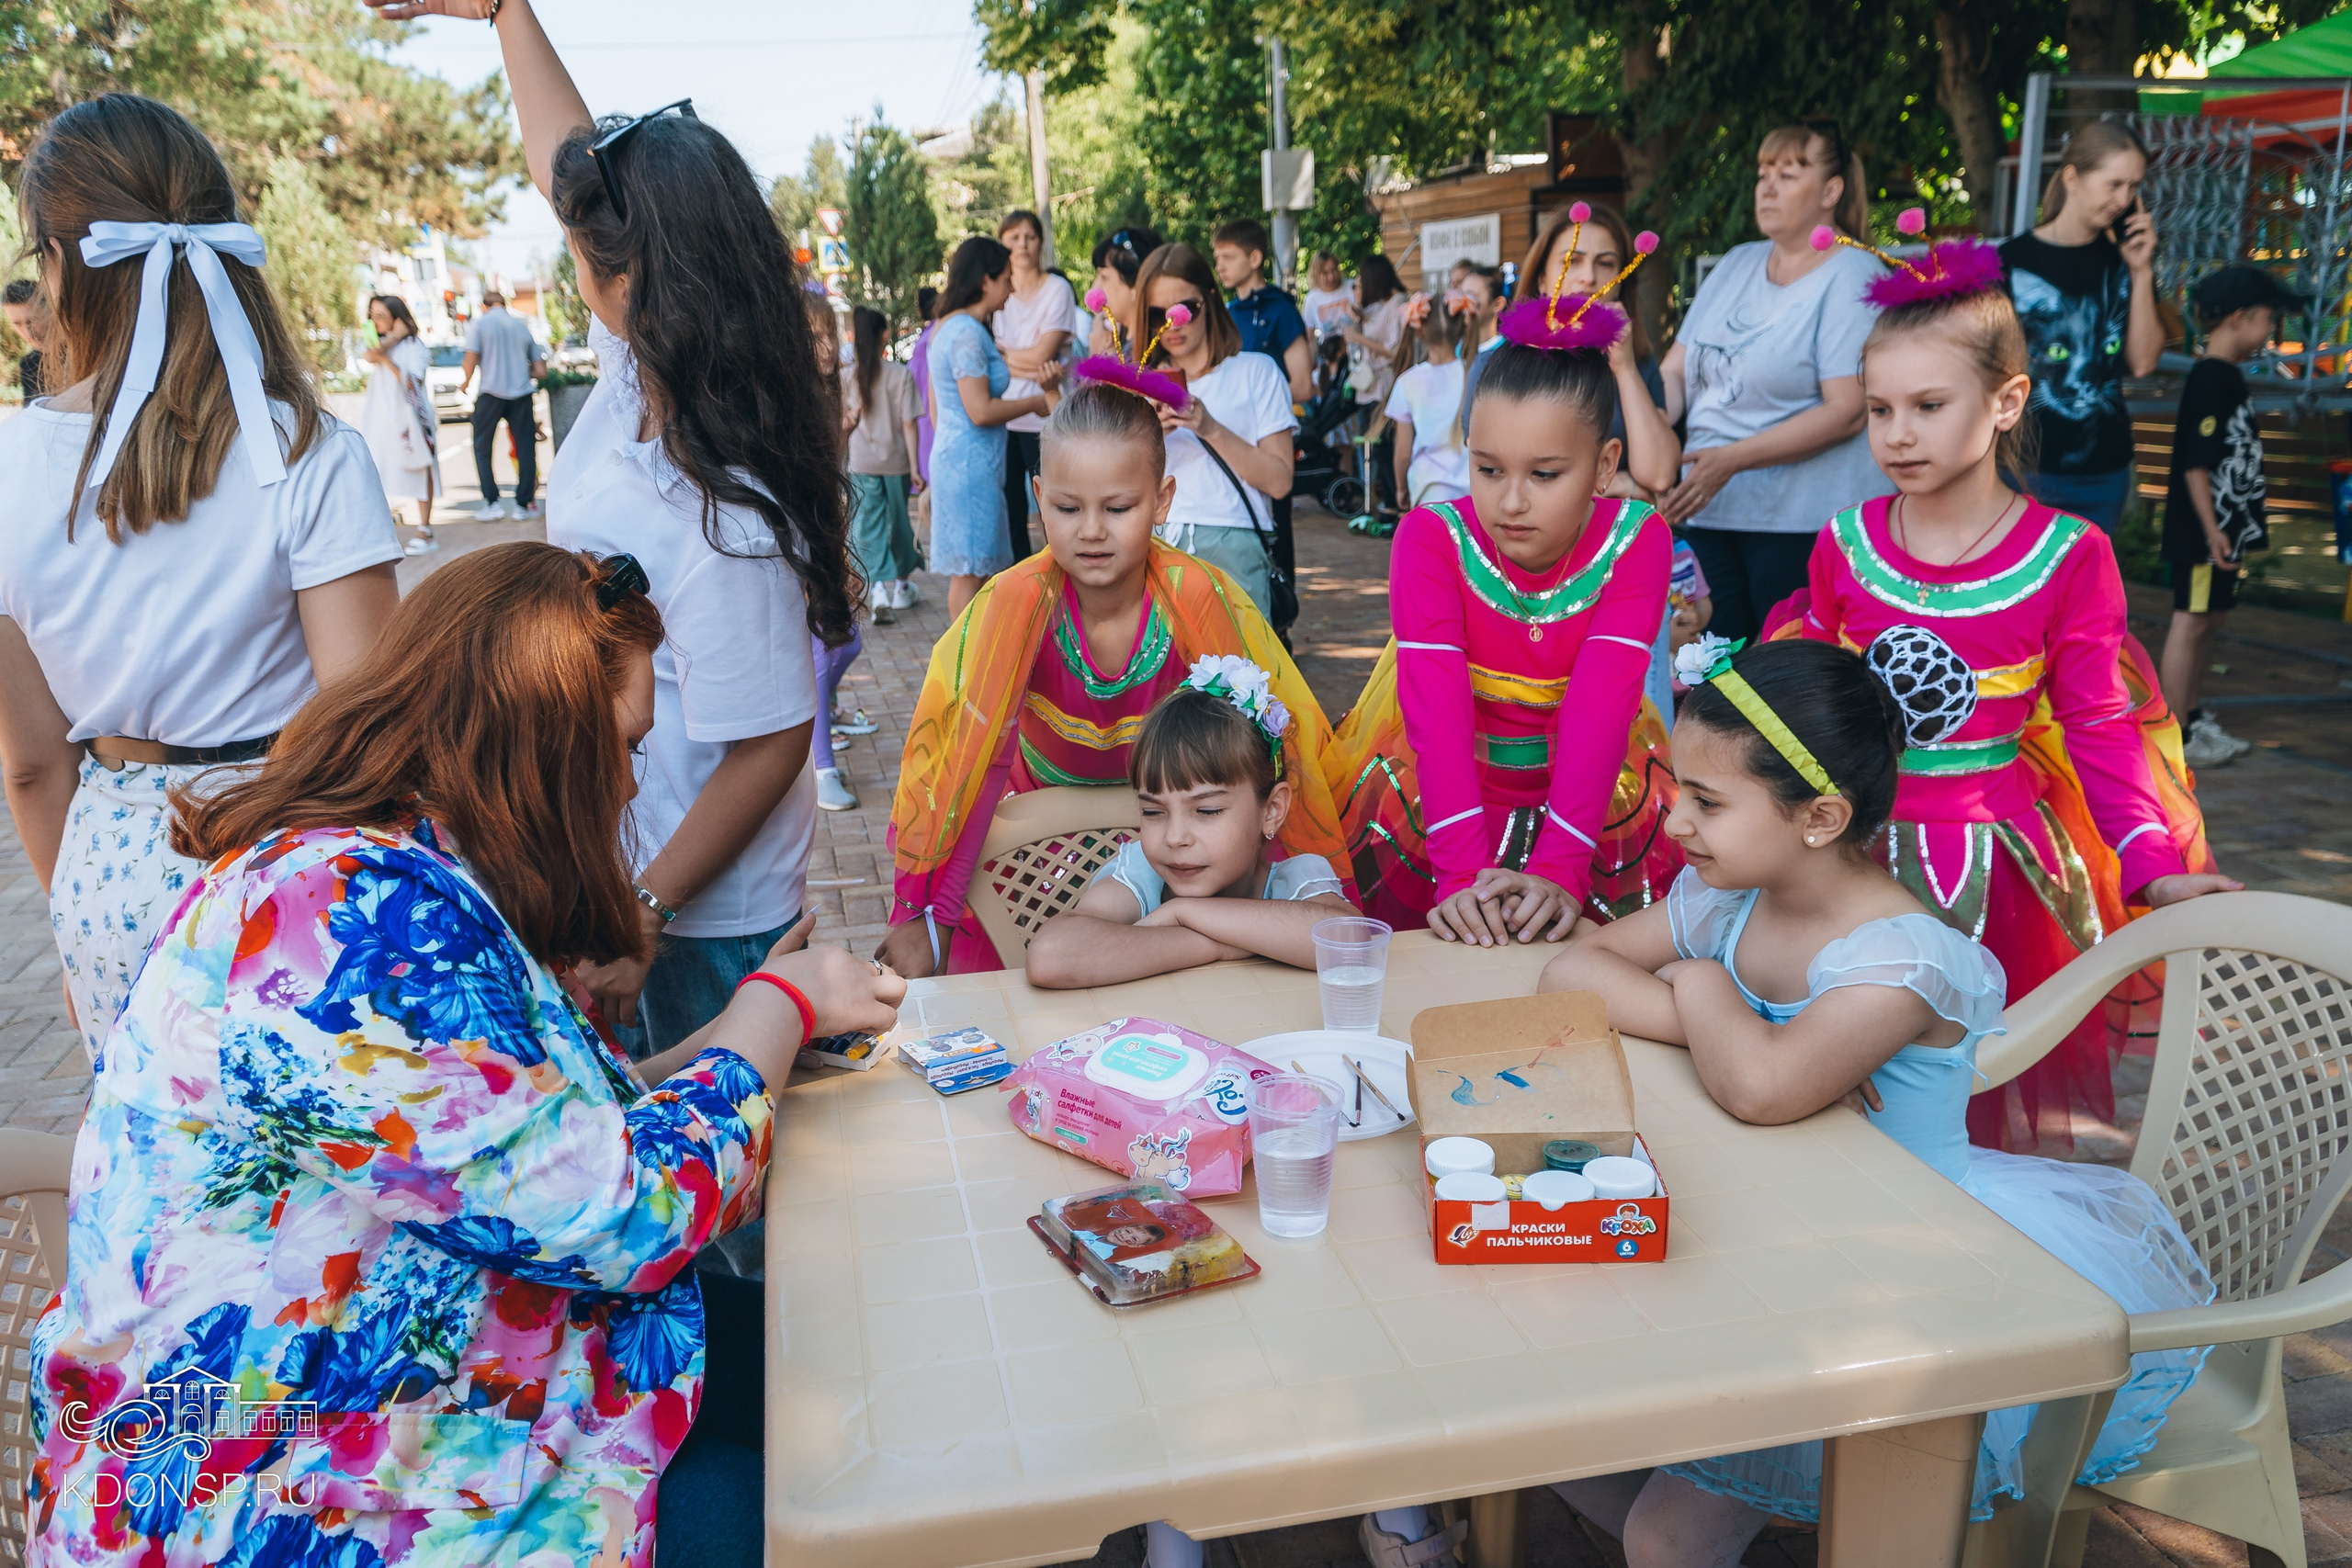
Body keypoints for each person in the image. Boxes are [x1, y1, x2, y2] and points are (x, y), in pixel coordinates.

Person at [27, 542, 906, 1568]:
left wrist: (721, 1050)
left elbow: (520, 1145)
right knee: (842, 1501)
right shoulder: (343, 921)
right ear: (540, 743)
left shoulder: (392, 870)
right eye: (622, 747)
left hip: (406, 1399)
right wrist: (779, 1005)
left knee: (857, 1364)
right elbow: (618, 1215)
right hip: (256, 1489)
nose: (630, 787)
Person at [1535, 637, 2211, 1568]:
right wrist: (1721, 1012)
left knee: (1661, 1535)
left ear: (1819, 817)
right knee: (1548, 1415)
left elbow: (1763, 1089)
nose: (1675, 823)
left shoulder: (1897, 958)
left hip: (1895, 1266)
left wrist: (1700, 993)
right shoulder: (1729, 903)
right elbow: (1571, 972)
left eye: (1706, 802)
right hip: (1763, 1223)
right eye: (1677, 790)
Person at [399, 1, 860, 1093]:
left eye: (588, 251)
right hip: (622, 871)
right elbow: (569, 177)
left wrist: (645, 911)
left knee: (720, 1187)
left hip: (709, 919)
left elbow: (769, 747)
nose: (572, 256)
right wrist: (506, 12)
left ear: (635, 280)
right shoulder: (630, 379)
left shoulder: (729, 514)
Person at [1788, 219, 2236, 1153]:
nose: (1897, 435)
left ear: (2005, 402)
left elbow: (2099, 726)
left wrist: (2151, 865)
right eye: (1878, 410)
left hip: (1999, 879)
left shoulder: (2070, 556)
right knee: (1838, 1106)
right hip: (1848, 869)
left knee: (1976, 1114)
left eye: (1926, 405)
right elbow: (1810, 718)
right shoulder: (1844, 544)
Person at [0, 93, 400, 1066]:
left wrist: (77, 909)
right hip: (296, 855)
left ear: (58, 266)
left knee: (165, 1185)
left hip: (110, 864)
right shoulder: (310, 450)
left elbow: (30, 762)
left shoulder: (9, 469)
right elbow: (367, 726)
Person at [879, 378, 1346, 977]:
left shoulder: (1195, 595)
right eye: (1068, 508)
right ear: (1039, 496)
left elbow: (1257, 756)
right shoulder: (1014, 602)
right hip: (1049, 842)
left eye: (1119, 508)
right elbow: (970, 762)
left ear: (1162, 500)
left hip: (1173, 831)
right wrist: (931, 916)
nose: (1092, 530)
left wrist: (1275, 885)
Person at [1330, 254, 1680, 940]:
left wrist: (1560, 866)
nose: (1510, 501)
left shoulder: (1638, 541)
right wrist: (1459, 875)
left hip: (1593, 804)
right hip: (1436, 802)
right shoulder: (1431, 539)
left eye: (1546, 474)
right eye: (1487, 469)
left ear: (1605, 466)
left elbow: (1599, 706)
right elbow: (1436, 710)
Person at [1660, 120, 1892, 641]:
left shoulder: (1852, 272)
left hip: (1799, 527)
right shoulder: (1737, 263)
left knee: (1781, 678)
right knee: (1710, 675)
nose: (1767, 186)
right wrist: (1653, 418)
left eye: (1787, 173)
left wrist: (1733, 459)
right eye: (1763, 172)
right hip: (1707, 510)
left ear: (1831, 191)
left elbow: (1847, 410)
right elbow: (1677, 369)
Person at [1025, 665, 1354, 987]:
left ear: (1271, 810)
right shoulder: (1141, 877)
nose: (1175, 838)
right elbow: (1051, 957)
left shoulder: (1292, 881)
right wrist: (1214, 943)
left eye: (1207, 811)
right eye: (1153, 812)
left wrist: (1184, 911)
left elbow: (1354, 942)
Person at [2001, 119, 2164, 535]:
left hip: (2102, 472)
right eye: (2113, 184)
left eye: (2133, 186)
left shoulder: (2125, 263)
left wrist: (2141, 272)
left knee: (2087, 598)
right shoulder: (2010, 263)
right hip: (2022, 470)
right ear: (2072, 178)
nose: (2124, 199)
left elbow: (2143, 362)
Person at [2160, 265, 2290, 769]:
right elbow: (2197, 462)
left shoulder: (2227, 377)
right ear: (2241, 318)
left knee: (2208, 620)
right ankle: (2174, 731)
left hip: (2225, 530)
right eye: (2268, 322)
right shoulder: (2211, 379)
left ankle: (2192, 716)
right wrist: (2213, 531)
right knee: (2190, 622)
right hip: (2204, 532)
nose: (2270, 334)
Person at [1471, 203, 1680, 502]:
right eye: (1572, 260)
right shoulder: (1494, 363)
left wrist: (1625, 369)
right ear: (1542, 278)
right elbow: (1493, 478)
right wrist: (1624, 486)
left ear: (1620, 282)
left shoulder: (1637, 363)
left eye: (1606, 263)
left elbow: (1659, 475)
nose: (1588, 278)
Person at [1134, 241, 1297, 618]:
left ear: (1209, 299)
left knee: (1239, 674)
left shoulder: (1256, 372)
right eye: (1158, 314)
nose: (1171, 327)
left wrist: (1209, 427)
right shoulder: (1137, 382)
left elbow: (1280, 481)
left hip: (1232, 543)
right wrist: (1147, 435)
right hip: (1152, 544)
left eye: (1184, 310)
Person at [931, 235, 1055, 615]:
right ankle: (964, 665)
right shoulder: (966, 331)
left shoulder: (948, 326)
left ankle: (970, 662)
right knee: (971, 572)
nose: (1011, 287)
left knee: (975, 571)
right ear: (985, 281)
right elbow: (980, 411)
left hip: (964, 461)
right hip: (969, 466)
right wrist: (1039, 400)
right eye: (1005, 279)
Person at [994, 209, 1074, 562]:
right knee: (1009, 510)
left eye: (1030, 236)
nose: (1022, 244)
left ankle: (1061, 577)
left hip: (1045, 415)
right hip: (1002, 416)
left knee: (1054, 507)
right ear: (1002, 244)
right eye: (1014, 237)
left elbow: (1047, 354)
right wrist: (1028, 364)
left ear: (1041, 242)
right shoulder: (997, 294)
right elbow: (1037, 363)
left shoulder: (1057, 289)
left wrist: (1002, 358)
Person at [843, 304, 924, 623]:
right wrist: (916, 468)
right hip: (897, 463)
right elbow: (909, 424)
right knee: (899, 524)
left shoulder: (845, 376)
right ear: (883, 336)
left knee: (869, 527)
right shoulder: (900, 374)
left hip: (861, 464)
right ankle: (902, 587)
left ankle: (877, 589)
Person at [358, 292, 441, 554]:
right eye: (372, 315)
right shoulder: (381, 343)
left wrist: (388, 355)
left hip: (411, 419)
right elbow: (370, 355)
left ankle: (425, 531)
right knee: (375, 469)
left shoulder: (415, 347)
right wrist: (393, 338)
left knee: (420, 466)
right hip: (380, 418)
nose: (375, 321)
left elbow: (411, 384)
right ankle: (379, 531)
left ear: (397, 317)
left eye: (381, 316)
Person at [458, 286, 546, 521]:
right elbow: (540, 369)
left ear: (484, 306)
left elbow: (470, 358)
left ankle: (492, 502)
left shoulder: (479, 324)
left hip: (490, 392)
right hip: (521, 394)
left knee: (482, 447)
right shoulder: (521, 325)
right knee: (526, 448)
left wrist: (465, 383)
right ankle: (523, 504)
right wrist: (519, 369)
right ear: (505, 304)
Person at [1382, 292, 1469, 508]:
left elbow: (1402, 452)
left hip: (1427, 491)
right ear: (1463, 327)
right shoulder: (1475, 372)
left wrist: (1401, 488)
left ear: (1418, 331)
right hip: (1473, 491)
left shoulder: (1407, 382)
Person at [1213, 217, 1314, 400]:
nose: (1220, 267)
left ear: (1255, 259)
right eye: (1217, 258)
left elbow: (1303, 387)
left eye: (1228, 257)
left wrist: (1247, 404)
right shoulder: (1226, 313)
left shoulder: (1282, 311)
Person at [1340, 252, 1407, 412]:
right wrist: (1360, 314)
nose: (1359, 288)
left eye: (1362, 284)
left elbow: (1393, 350)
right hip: (1369, 386)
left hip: (1383, 386)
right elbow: (1376, 325)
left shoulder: (1397, 303)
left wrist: (1358, 338)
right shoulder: (1383, 304)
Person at [1087, 224, 1165, 358]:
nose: (1095, 287)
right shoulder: (1125, 349)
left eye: (1104, 277)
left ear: (1136, 284)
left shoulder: (1147, 357)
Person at [4, 278, 48, 401]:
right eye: (18, 324)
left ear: (50, 311)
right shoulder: (29, 364)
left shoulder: (80, 354)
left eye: (32, 320)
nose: (28, 333)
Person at [1302, 250, 1353, 341]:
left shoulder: (1352, 287)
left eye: (1334, 270)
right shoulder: (1311, 299)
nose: (1331, 277)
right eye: (1325, 273)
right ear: (1316, 274)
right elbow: (1310, 337)